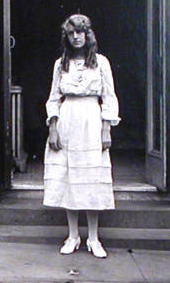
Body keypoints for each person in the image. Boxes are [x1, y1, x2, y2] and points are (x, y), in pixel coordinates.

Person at [44, 14, 120, 258]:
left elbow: (109, 97)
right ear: (66, 37)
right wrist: (53, 127)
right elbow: (54, 97)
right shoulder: (60, 64)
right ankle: (73, 235)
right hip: (68, 119)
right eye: (71, 33)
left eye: (81, 32)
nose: (76, 37)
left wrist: (106, 127)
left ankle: (94, 238)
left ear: (88, 35)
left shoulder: (101, 62)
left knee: (91, 177)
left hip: (91, 119)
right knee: (69, 177)